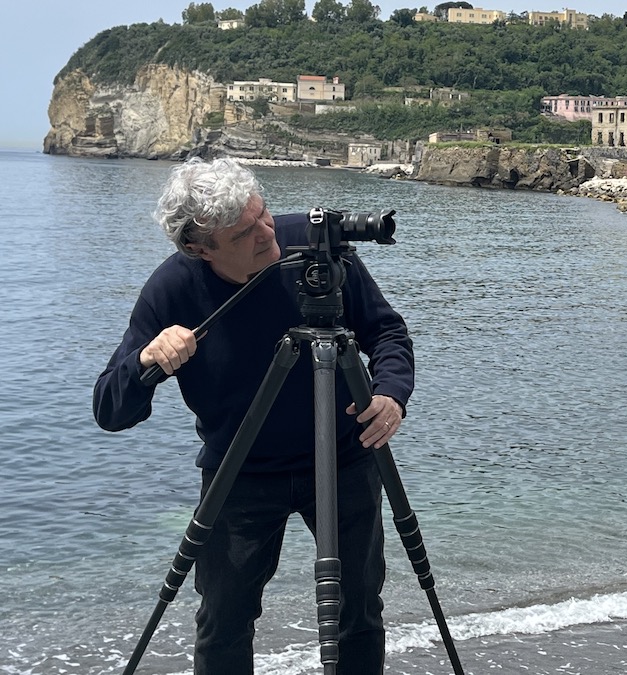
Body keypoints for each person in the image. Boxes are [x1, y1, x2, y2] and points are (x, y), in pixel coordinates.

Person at [93, 157, 414, 674]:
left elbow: (387, 333)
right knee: (223, 620)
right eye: (246, 233)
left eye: (264, 214)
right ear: (200, 248)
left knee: (359, 611)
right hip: (239, 472)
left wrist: (393, 394)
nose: (268, 234)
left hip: (343, 460)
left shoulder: (316, 248)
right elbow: (110, 408)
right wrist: (147, 360)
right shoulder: (172, 289)